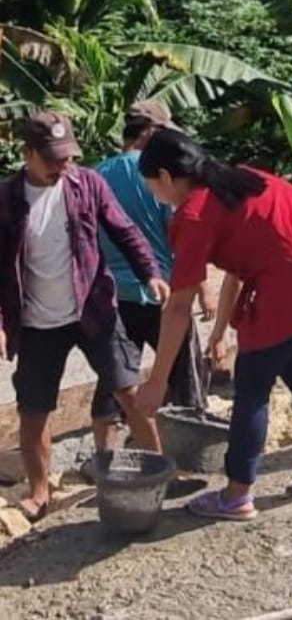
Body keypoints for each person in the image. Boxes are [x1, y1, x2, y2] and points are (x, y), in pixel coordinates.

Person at [133, 129, 292, 522]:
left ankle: (236, 494)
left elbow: (178, 307)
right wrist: (222, 330)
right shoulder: (244, 178)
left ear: (165, 177)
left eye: (151, 186)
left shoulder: (194, 215)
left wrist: (157, 382)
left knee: (251, 387)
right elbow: (247, 263)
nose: (154, 194)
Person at [0, 111, 169, 521]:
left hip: (93, 308)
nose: (64, 166)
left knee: (129, 392)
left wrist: (150, 272)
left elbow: (125, 230)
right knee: (34, 409)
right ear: (27, 154)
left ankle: (161, 478)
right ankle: (40, 493)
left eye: (68, 157)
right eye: (54, 159)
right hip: (38, 322)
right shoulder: (7, 200)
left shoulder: (87, 184)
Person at [90, 102, 216, 455]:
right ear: (148, 132)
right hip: (162, 293)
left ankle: (104, 455)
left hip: (113, 296)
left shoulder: (95, 175)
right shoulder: (160, 175)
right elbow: (181, 237)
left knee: (115, 375)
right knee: (183, 375)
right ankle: (186, 451)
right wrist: (203, 290)